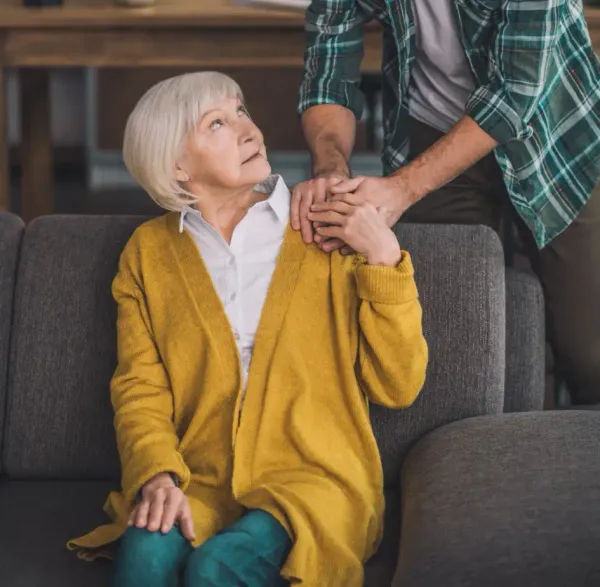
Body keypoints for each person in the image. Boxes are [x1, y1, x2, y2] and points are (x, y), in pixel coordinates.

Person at [66, 71, 428, 587]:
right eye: (217, 122)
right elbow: (139, 389)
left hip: (312, 482)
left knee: (219, 567)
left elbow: (399, 385)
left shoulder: (326, 226)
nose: (248, 129)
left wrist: (384, 258)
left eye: (242, 111)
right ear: (176, 164)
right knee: (145, 552)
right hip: (200, 479)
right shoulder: (147, 254)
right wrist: (157, 475)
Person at [293, 0, 600, 406]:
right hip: (432, 134)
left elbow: (515, 91)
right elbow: (328, 60)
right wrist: (331, 167)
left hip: (555, 140)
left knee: (589, 352)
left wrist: (401, 189)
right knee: (448, 358)